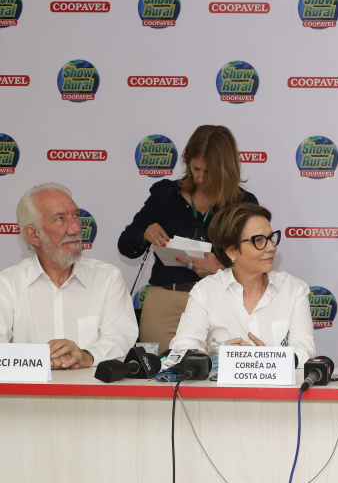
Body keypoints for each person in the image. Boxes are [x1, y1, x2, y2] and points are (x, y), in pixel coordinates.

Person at [119, 125, 258, 352]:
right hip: (166, 302)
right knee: (160, 377)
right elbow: (126, 246)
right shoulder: (165, 194)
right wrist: (144, 232)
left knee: (221, 376)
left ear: (226, 168)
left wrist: (224, 265)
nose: (201, 178)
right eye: (195, 168)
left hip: (222, 301)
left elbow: (257, 259)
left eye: (209, 171)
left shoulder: (243, 203)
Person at [0, 183, 137, 368]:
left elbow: (121, 336)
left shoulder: (107, 277)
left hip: (93, 394)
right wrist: (40, 360)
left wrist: (86, 356)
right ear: (34, 235)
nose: (75, 228)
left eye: (75, 216)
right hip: (29, 395)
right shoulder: (8, 284)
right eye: (60, 219)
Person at [170, 203, 316, 364]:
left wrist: (268, 359)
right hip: (222, 388)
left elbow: (304, 347)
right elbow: (181, 348)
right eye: (259, 240)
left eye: (271, 238)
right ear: (231, 251)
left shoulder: (293, 289)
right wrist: (215, 355)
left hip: (278, 388)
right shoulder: (205, 291)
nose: (272, 247)